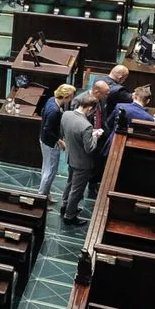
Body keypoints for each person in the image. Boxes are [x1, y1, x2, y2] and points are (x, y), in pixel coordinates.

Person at [59, 93, 104, 226]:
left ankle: (65, 205)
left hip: (70, 156)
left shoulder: (66, 114)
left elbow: (64, 132)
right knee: (77, 189)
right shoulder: (86, 126)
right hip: (82, 163)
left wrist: (90, 135)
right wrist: (96, 136)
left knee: (70, 182)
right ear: (90, 108)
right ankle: (70, 215)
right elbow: (89, 148)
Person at [36, 83, 74, 200]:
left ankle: (45, 193)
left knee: (46, 168)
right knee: (51, 171)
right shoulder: (55, 111)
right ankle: (41, 198)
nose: (72, 98)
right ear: (65, 97)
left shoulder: (51, 100)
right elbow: (48, 129)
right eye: (71, 96)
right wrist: (59, 141)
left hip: (43, 139)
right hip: (50, 143)